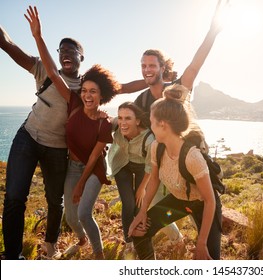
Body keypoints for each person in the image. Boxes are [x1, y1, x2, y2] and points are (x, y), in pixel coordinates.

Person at [24, 6, 120, 259]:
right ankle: (81, 239)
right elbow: (53, 72)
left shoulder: (104, 123)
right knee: (70, 216)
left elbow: (93, 160)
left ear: (101, 96)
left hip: (94, 169)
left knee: (83, 213)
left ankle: (99, 256)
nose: (87, 96)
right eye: (84, 90)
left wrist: (79, 185)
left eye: (93, 92)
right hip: (73, 166)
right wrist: (37, 37)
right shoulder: (74, 104)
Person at [0, 18, 85, 260]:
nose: (65, 53)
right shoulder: (43, 68)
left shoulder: (87, 86)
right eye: (61, 50)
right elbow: (8, 44)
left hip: (58, 149)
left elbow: (120, 87)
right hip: (28, 138)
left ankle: (50, 246)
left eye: (71, 50)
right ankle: (13, 256)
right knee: (15, 198)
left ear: (82, 57)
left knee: (54, 201)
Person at [128, 84, 222, 260]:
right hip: (179, 201)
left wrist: (200, 244)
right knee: (139, 232)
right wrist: (142, 212)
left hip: (204, 205)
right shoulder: (157, 147)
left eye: (151, 120)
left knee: (209, 258)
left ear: (162, 124)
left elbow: (210, 201)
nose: (150, 125)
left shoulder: (192, 157)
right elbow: (154, 179)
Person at [121, 0, 227, 123]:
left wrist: (212, 32)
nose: (147, 69)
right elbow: (129, 121)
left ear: (162, 68)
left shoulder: (176, 90)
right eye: (143, 66)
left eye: (152, 66)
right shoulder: (142, 100)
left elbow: (193, 68)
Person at [107, 102, 183, 259]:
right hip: (122, 164)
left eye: (128, 118)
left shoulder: (149, 139)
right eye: (120, 118)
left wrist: (142, 189)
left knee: (140, 204)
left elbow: (150, 168)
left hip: (143, 166)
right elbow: (107, 119)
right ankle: (129, 243)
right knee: (128, 205)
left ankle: (174, 239)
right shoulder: (117, 125)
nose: (123, 122)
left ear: (138, 121)